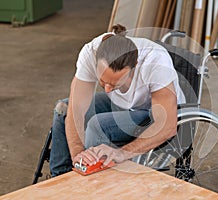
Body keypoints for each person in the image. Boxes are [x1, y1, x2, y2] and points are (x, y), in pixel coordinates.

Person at [49, 24, 186, 177]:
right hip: (123, 104)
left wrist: (122, 153)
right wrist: (78, 155)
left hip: (153, 112)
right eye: (103, 82)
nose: (107, 89)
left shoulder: (155, 61)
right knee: (64, 108)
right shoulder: (91, 52)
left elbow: (167, 126)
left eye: (114, 84)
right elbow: (75, 110)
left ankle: (93, 186)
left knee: (98, 125)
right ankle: (60, 178)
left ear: (134, 67)